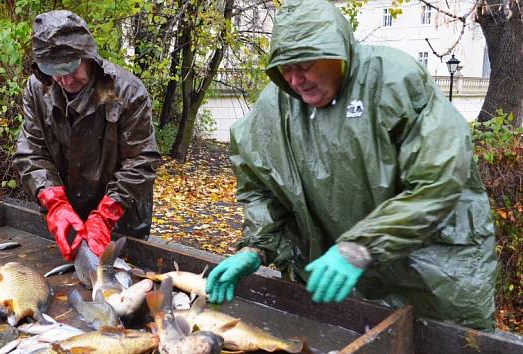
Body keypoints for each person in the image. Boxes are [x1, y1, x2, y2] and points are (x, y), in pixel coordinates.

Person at [206, 0, 497, 330]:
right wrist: (257, 246)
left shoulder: (394, 81)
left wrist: (362, 246)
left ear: (336, 52)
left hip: (428, 271)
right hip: (334, 276)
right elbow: (261, 183)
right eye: (285, 68)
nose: (296, 79)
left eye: (305, 64)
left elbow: (437, 181)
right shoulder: (277, 106)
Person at [13, 10, 160, 262]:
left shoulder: (125, 90)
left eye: (71, 67)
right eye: (54, 70)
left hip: (121, 217)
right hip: (69, 216)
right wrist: (55, 202)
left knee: (121, 284)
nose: (65, 79)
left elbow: (142, 159)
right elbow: (31, 150)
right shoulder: (37, 88)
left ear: (88, 55)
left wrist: (106, 214)